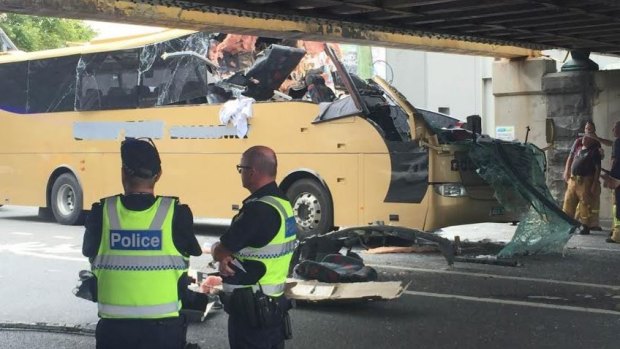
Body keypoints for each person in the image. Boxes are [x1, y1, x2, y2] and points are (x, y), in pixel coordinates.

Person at [82, 137, 202, 349]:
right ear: (158, 175)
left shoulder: (102, 212)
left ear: (123, 172)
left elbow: (88, 251)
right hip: (164, 333)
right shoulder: (177, 214)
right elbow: (194, 250)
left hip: (114, 333)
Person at [211, 145, 296, 349]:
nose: (241, 173)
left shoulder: (258, 210)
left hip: (252, 309)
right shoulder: (282, 203)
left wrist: (215, 250)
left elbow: (223, 249)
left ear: (252, 171)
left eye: (241, 168)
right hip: (273, 307)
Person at [563, 120, 610, 231]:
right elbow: (570, 157)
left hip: (586, 180)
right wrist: (566, 171)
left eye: (590, 129)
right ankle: (567, 224)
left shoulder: (595, 147)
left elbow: (598, 167)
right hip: (573, 179)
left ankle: (586, 225)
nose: (587, 132)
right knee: (568, 202)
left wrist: (594, 182)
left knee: (586, 203)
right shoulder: (578, 142)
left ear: (593, 131)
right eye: (586, 129)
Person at [603, 121, 620, 243]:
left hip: (618, 178)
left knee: (618, 206)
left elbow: (615, 160)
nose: (613, 129)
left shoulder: (617, 143)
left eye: (615, 127)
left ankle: (617, 236)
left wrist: (610, 176)